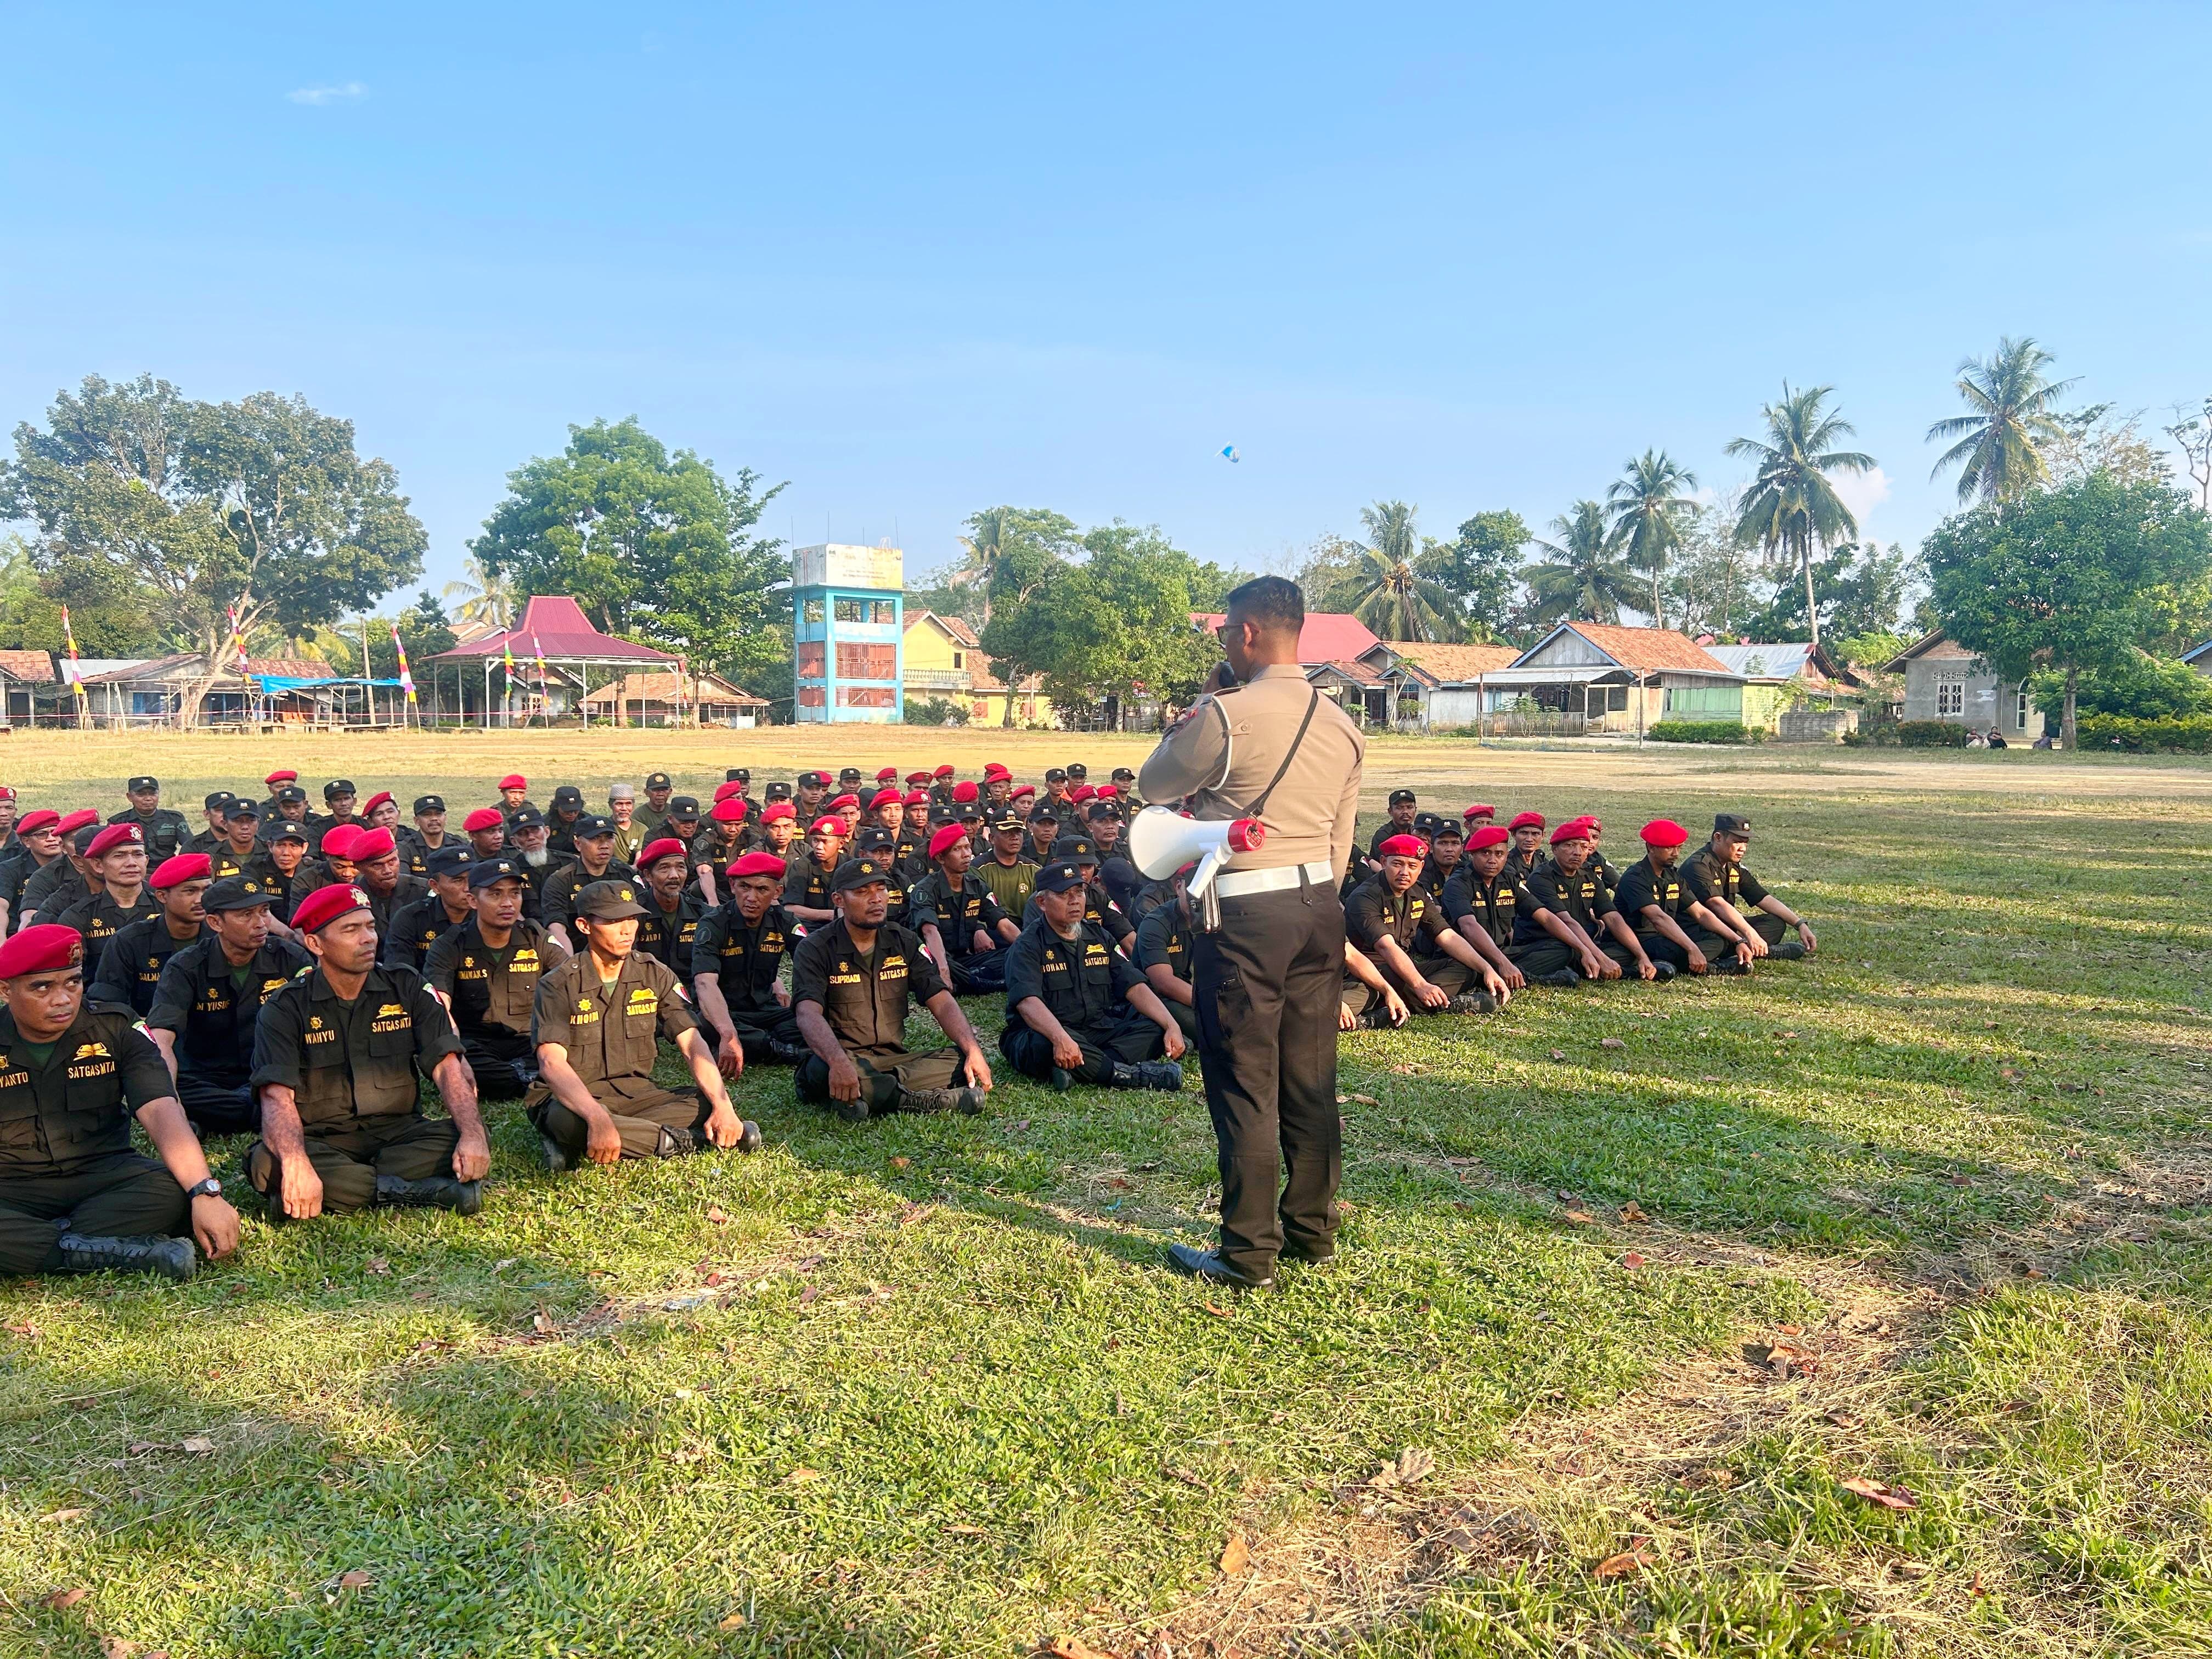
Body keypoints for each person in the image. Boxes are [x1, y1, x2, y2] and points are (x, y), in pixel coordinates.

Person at [1138, 573, 1364, 1289]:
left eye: (1226, 636)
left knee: (1243, 1081)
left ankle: (1247, 1254)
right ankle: (1313, 1232)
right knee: (1310, 1077)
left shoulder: (1225, 714)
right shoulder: (1344, 724)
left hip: (1246, 916)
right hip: (1319, 908)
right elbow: (1339, 844)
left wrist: (1198, 711)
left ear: (1246, 634)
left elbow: (1153, 786)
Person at [0, 924, 240, 1283]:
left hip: (104, 1175)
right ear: (6, 990)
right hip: (13, 1182)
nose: (64, 999)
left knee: (173, 1193)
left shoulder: (116, 1028)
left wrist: (204, 1191)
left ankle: (41, 1245)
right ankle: (112, 1253)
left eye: (73, 982)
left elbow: (160, 1108)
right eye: (42, 987)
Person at [246, 883, 491, 1219]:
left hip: (400, 1133)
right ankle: (420, 1191)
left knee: (467, 1132)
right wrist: (296, 1162)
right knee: (267, 1161)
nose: (369, 938)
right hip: (321, 1138)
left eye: (371, 926)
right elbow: (276, 1095)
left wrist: (473, 1136)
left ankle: (345, 1190)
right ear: (315, 944)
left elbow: (446, 1066)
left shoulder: (408, 986)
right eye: (351, 930)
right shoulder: (285, 1007)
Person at [528, 879, 761, 1169]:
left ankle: (596, 1142)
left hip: (637, 1094)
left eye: (632, 918)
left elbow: (691, 1043)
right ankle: (689, 1141)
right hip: (577, 1097)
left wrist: (722, 1105)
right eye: (614, 921)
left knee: (706, 1102)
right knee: (569, 1122)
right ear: (584, 926)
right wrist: (597, 1118)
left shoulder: (654, 974)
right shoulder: (558, 984)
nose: (627, 930)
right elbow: (551, 1063)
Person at [790, 855, 994, 1121]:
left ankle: (869, 1095)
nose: (876, 899)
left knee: (959, 1059)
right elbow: (808, 1014)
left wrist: (973, 1050)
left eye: (881, 889)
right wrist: (838, 1062)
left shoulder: (904, 941)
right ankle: (922, 1100)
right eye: (862, 892)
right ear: (839, 900)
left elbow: (941, 1000)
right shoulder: (815, 948)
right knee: (821, 1070)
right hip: (841, 1057)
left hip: (893, 1060)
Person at [143, 875, 311, 1136]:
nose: (260, 924)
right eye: (246, 915)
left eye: (264, 912)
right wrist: (171, 1103)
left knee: (301, 1086)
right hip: (205, 1078)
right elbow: (162, 1039)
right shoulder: (185, 967)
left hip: (270, 1071)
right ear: (215, 923)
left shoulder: (290, 957)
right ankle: (259, 1113)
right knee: (162, 1092)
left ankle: (218, 1119)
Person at [999, 858, 1186, 1091]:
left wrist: (1171, 1025)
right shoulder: (1027, 945)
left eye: (1079, 892)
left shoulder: (1099, 936)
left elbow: (1134, 986)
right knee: (1043, 1043)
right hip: (1046, 1030)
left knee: (1155, 1028)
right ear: (1042, 902)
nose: (1075, 900)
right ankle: (1124, 1075)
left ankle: (1081, 1068)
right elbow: (1028, 1003)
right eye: (1063, 894)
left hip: (1096, 1030)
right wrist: (1060, 1038)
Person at [422, 855, 558, 1099]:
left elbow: (570, 980)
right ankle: (531, 1079)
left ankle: (518, 1078)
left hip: (530, 1039)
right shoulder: (449, 945)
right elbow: (441, 1006)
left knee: (565, 1053)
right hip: (476, 1042)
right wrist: (456, 1055)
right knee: (454, 1063)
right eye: (495, 894)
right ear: (473, 900)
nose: (508, 903)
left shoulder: (535, 936)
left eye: (514, 894)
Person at [1344, 834, 1508, 1015]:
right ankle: (1437, 1002)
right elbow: (1386, 946)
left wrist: (1487, 968)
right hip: (1370, 970)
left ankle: (1408, 1000)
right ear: (1383, 862)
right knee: (1369, 993)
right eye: (1397, 864)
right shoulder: (1365, 897)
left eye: (1412, 866)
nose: (1405, 872)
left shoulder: (1417, 891)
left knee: (1467, 968)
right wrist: (1420, 984)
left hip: (1405, 967)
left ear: (1421, 867)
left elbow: (1446, 935)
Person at [1511, 823, 1665, 985]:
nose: (1577, 852)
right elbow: (1567, 921)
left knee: (1630, 949)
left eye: (1584, 847)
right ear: (1555, 850)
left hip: (1585, 942)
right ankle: (1610, 969)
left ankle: (1587, 969)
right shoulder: (1541, 878)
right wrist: (1598, 956)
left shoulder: (1589, 874)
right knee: (1565, 952)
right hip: (1548, 943)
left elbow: (1612, 917)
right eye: (1570, 846)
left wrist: (1642, 956)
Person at [691, 851, 805, 1071]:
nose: (752, 897)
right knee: (705, 1025)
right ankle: (784, 1051)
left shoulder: (785, 921)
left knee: (811, 1023)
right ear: (733, 886)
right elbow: (705, 983)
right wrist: (728, 1032)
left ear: (777, 892)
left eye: (762, 889)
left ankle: (764, 1045)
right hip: (727, 1011)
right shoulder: (714, 924)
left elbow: (812, 962)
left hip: (767, 1009)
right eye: (745, 887)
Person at [1614, 819, 1743, 976]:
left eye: (1679, 848)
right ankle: (1710, 968)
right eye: (1669, 848)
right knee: (1678, 951)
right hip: (1643, 939)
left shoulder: (1672, 875)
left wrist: (1738, 940)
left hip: (1669, 936)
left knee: (1720, 941)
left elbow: (1701, 913)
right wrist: (1692, 949)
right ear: (1651, 847)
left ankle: (1683, 964)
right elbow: (1658, 919)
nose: (1676, 854)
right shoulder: (1635, 877)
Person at [1681, 814, 1817, 962]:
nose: (1743, 848)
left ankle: (1748, 950)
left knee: (1775, 924)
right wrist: (1749, 934)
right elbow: (1716, 904)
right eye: (1737, 842)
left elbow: (1763, 898)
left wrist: (1800, 924)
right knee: (1717, 943)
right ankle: (1750, 952)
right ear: (1718, 837)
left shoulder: (1733, 865)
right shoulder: (1698, 865)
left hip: (1727, 926)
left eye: (1746, 843)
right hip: (1699, 928)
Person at [88, 853, 211, 1017]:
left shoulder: (224, 936)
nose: (201, 900)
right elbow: (109, 1004)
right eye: (190, 891)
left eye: (207, 890)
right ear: (162, 896)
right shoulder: (129, 942)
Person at [909, 823, 1020, 994]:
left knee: (1012, 955)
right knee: (934, 967)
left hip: (966, 959)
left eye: (967, 847)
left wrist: (1033, 952)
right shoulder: (926, 890)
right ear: (940, 858)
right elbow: (930, 932)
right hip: (936, 957)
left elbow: (1003, 924)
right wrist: (944, 972)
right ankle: (984, 982)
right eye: (957, 850)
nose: (967, 854)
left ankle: (972, 980)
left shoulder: (976, 885)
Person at [1437, 826, 1528, 992]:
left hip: (1500, 952)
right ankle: (1514, 975)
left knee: (1559, 950)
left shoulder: (1508, 878)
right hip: (1465, 955)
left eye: (1499, 854)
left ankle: (1512, 974)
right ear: (1473, 855)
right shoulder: (1458, 883)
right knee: (1464, 972)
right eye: (1485, 853)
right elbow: (1468, 926)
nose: (1492, 860)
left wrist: (1585, 949)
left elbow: (1543, 915)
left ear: (1507, 856)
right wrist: (1503, 963)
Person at [57, 822, 161, 960]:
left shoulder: (166, 907)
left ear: (146, 861)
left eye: (138, 854)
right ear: (98, 865)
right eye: (120, 855)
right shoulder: (79, 916)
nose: (131, 863)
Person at [540, 816, 634, 952]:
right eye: (595, 839)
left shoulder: (625, 874)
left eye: (609, 838)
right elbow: (556, 927)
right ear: (578, 844)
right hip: (579, 953)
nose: (604, 845)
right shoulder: (561, 880)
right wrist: (570, 965)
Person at [1133, 866, 1200, 1046]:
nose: (1200, 895)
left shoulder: (1214, 917)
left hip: (1199, 993)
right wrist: (1210, 1002)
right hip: (1161, 999)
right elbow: (1163, 983)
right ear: (1179, 887)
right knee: (1213, 1028)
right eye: (1195, 887)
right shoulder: (1156, 922)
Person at [380, 844, 475, 969]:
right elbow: (400, 974)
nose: (468, 888)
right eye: (458, 881)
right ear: (435, 886)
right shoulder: (411, 919)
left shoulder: (489, 916)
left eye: (473, 878)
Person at [632, 838, 707, 993]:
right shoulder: (635, 913)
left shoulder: (701, 913)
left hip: (694, 993)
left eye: (681, 867)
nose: (674, 875)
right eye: (664, 868)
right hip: (646, 993)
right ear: (649, 876)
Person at [0, 810, 64, 936]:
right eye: (42, 835)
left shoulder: (76, 865)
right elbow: (1, 907)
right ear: (26, 842)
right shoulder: (10, 869)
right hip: (19, 933)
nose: (51, 839)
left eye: (56, 833)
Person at [109, 775, 189, 861]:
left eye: (153, 794)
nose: (148, 798)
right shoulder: (119, 822)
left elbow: (190, 846)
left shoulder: (175, 819)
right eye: (141, 794)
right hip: (133, 870)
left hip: (167, 869)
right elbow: (110, 853)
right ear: (130, 797)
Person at [780, 817, 843, 926]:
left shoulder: (850, 866)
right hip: (810, 927)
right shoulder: (802, 866)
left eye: (825, 842)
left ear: (841, 843)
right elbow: (790, 908)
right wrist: (831, 915)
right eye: (816, 840)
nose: (819, 847)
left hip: (844, 926)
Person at [975, 811, 1039, 919]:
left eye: (1018, 832)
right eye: (1007, 832)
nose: (1014, 837)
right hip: (991, 929)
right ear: (992, 839)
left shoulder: (1034, 869)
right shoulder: (978, 869)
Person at [1367, 788, 1419, 861]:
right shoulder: (1383, 836)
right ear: (1390, 811)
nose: (1405, 812)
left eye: (1409, 807)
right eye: (1399, 808)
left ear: (1415, 810)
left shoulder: (1417, 833)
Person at [607, 783, 646, 865]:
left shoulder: (641, 829)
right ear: (611, 805)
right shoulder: (605, 827)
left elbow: (639, 859)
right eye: (619, 804)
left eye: (628, 804)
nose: (624, 809)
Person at [1503, 811, 1547, 881]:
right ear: (1514, 834)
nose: (1529, 839)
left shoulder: (1541, 860)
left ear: (1543, 836)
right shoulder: (1507, 863)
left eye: (1535, 834)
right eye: (1524, 833)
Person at [637, 771, 675, 835]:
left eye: (664, 790)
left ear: (670, 791)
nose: (660, 794)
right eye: (655, 790)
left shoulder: (674, 812)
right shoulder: (639, 815)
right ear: (646, 792)